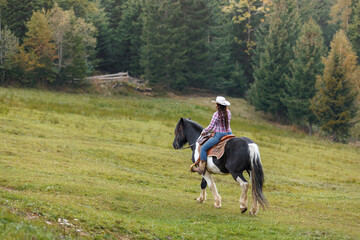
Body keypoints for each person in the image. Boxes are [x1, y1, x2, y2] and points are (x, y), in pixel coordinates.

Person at [195, 96, 232, 175]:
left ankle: (202, 167)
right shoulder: (228, 112)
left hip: (219, 135)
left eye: (216, 104)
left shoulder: (216, 114)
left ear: (218, 105)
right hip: (229, 133)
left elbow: (211, 127)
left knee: (204, 148)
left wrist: (204, 131)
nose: (215, 105)